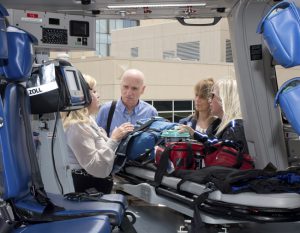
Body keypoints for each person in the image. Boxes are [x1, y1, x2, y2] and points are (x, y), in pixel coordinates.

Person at [62, 74, 134, 178]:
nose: (98, 95)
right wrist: (114, 139)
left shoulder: (88, 120)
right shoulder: (78, 126)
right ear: (83, 97)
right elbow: (97, 168)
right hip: (85, 187)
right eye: (94, 92)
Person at [179, 79, 249, 153]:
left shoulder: (234, 128)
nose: (210, 100)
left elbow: (220, 156)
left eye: (212, 95)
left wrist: (195, 134)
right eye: (196, 95)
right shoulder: (229, 125)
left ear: (224, 98)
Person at [96, 68, 158, 136]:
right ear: (120, 86)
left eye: (134, 88)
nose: (129, 93)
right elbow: (96, 140)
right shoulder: (106, 110)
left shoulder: (150, 112)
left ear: (142, 89)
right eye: (125, 87)